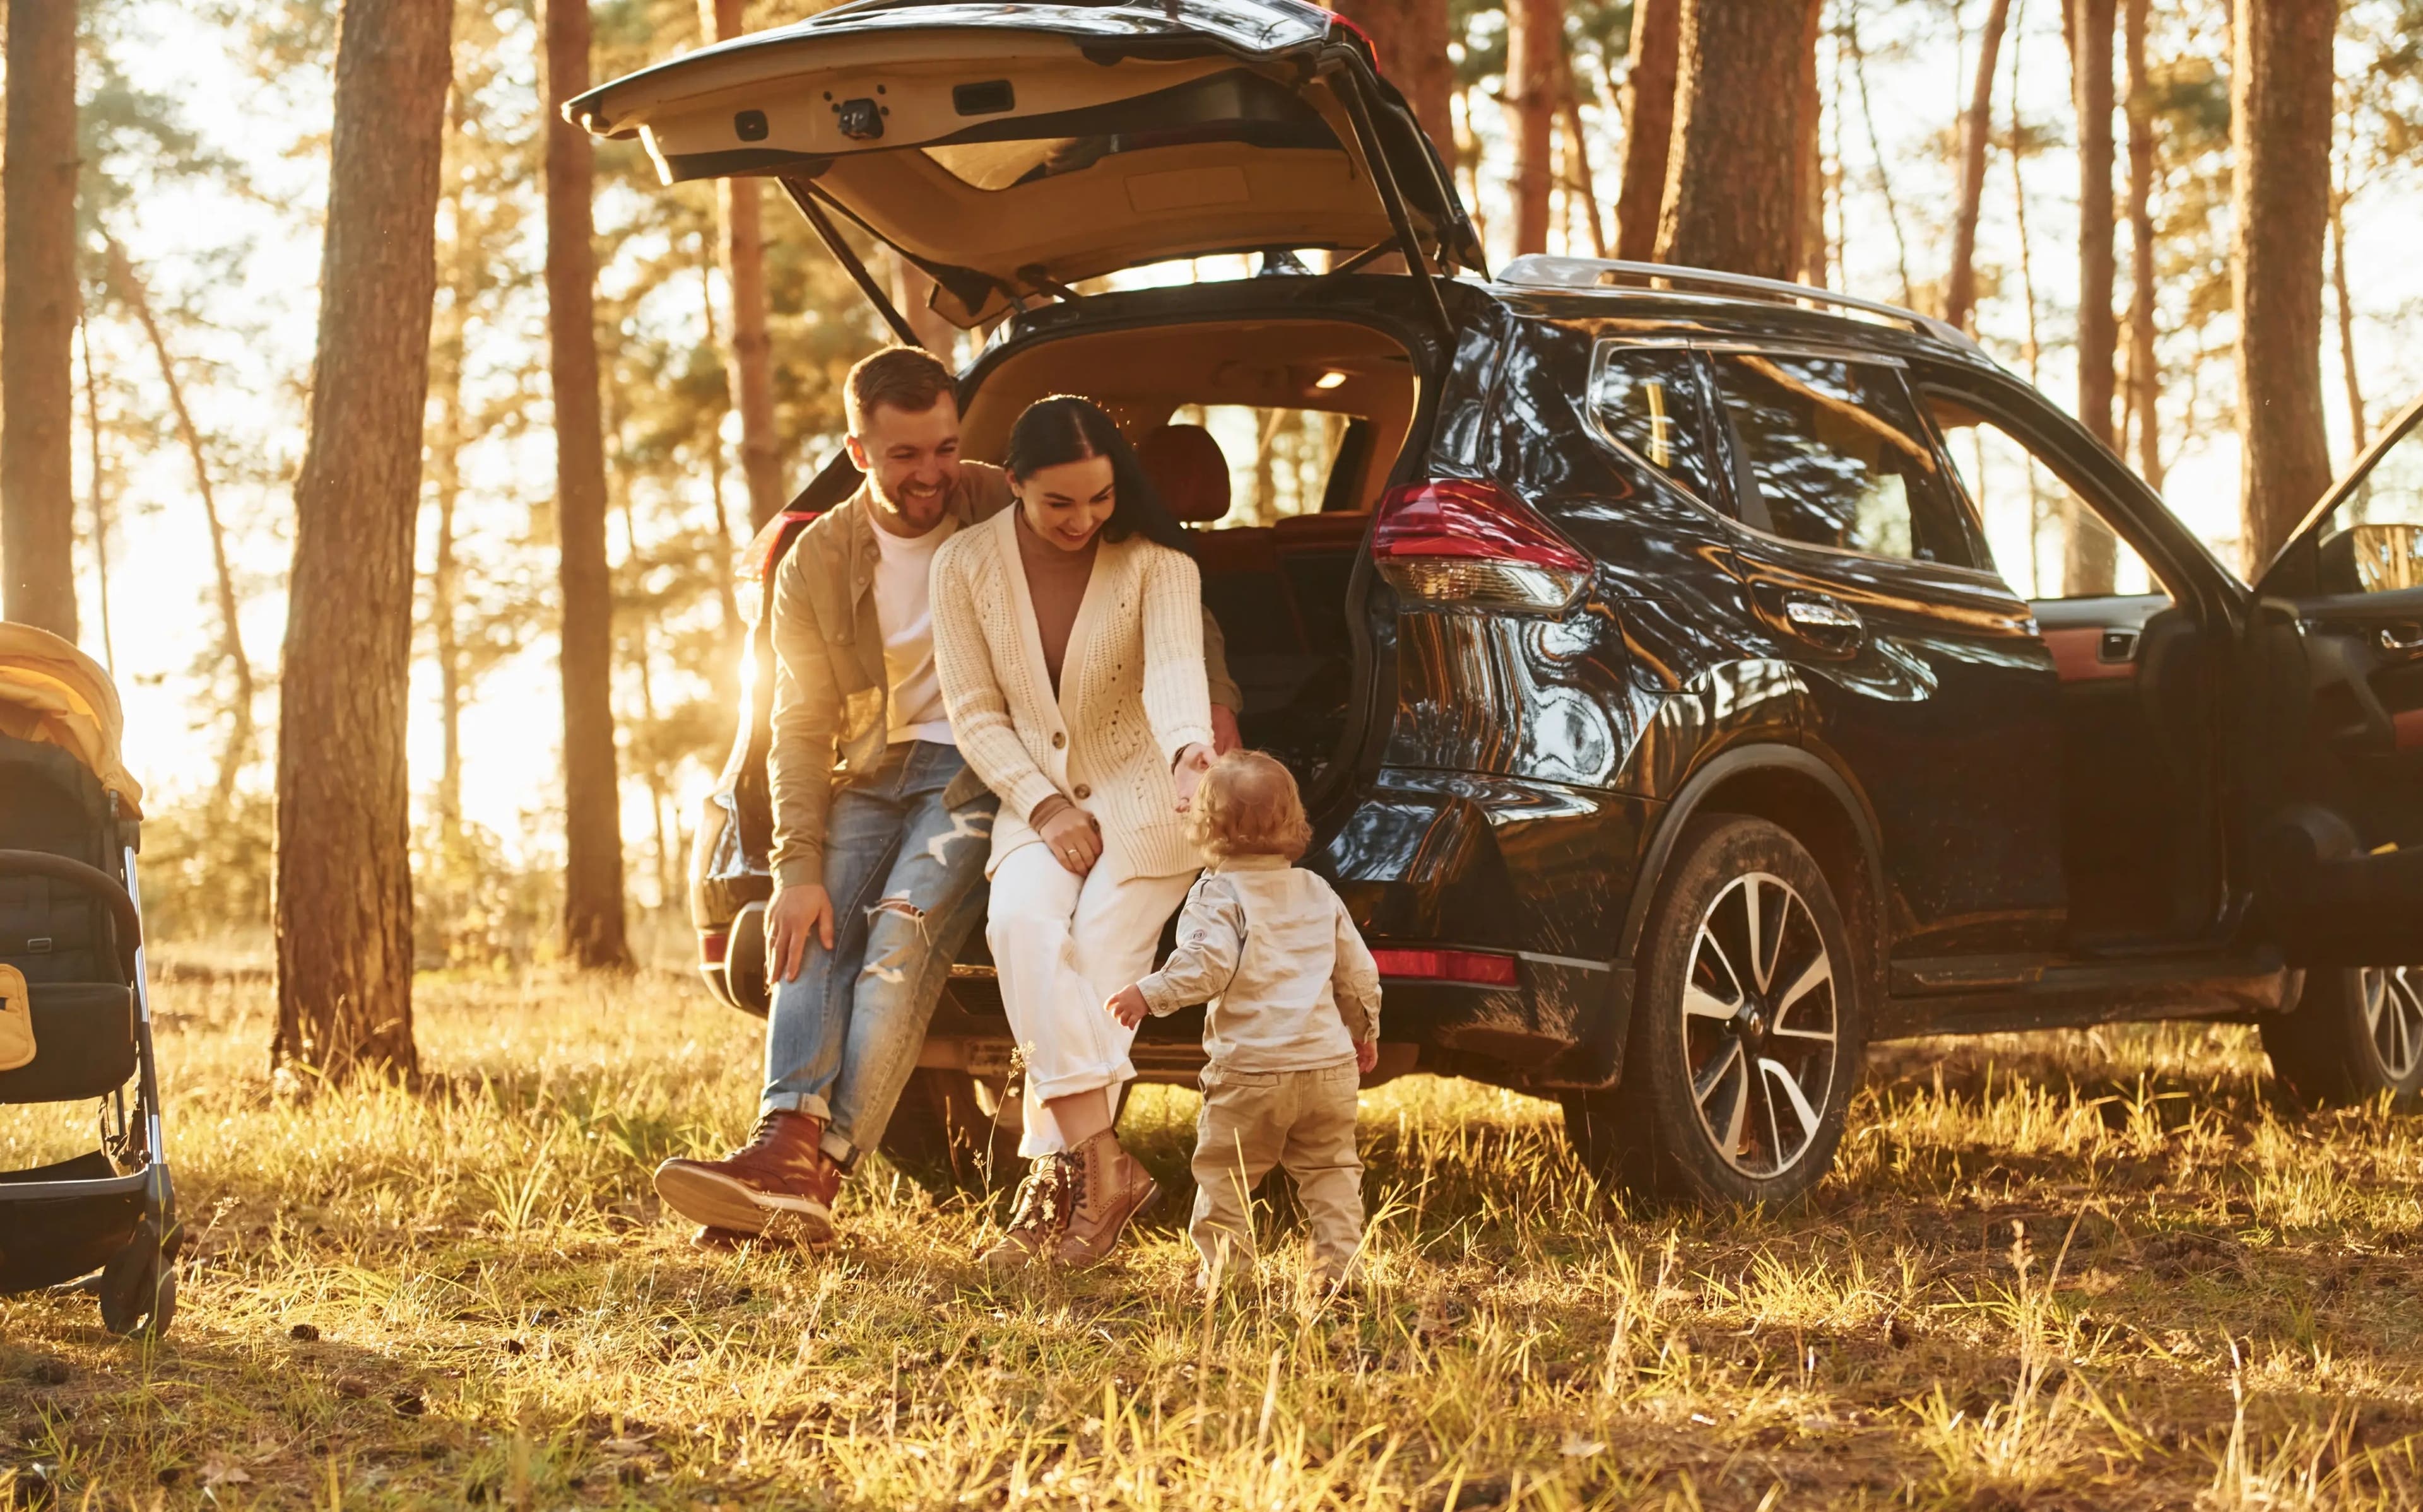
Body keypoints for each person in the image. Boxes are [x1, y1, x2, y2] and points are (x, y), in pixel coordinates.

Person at [652, 351, 1239, 1247]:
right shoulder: (818, 559)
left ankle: (826, 1171)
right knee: (805, 921)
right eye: (903, 456)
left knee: (900, 936)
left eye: (944, 447)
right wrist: (796, 865)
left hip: (979, 768)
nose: (930, 473)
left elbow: (1165, 616)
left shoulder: (1007, 496)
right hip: (880, 768)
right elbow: (797, 721)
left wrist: (1208, 722)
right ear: (857, 450)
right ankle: (786, 1143)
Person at [931, 394, 1224, 1270]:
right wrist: (1047, 806)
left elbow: (1176, 669)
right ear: (1013, 483)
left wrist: (1189, 754)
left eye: (1098, 498)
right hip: (1035, 799)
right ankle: (1105, 1165)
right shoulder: (964, 565)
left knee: (1097, 964)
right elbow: (975, 713)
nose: (1082, 519)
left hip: (1149, 802)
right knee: (1018, 927)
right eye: (1058, 502)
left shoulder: (1160, 564)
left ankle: (1051, 1189)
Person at [1107, 751, 1381, 1292]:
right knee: (1331, 1172)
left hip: (1252, 1071)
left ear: (1205, 827)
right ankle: (1337, 1273)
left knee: (1226, 1176)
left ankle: (1229, 1279)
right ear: (1293, 822)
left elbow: (1207, 966)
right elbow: (1359, 972)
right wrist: (1363, 1031)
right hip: (1327, 1067)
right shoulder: (1316, 890)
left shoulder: (1219, 893)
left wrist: (1150, 992)